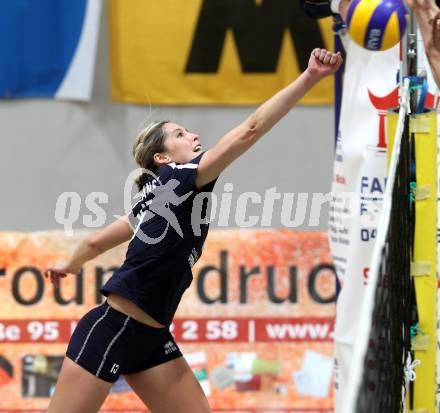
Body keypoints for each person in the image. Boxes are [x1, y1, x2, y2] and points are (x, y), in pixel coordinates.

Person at [44, 47, 342, 413]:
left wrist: (69, 265)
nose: (192, 135)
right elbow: (249, 130)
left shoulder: (151, 200)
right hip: (114, 327)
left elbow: (93, 242)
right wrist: (308, 77)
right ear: (163, 158)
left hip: (152, 338)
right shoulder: (183, 176)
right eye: (180, 134)